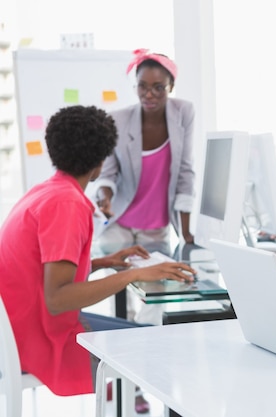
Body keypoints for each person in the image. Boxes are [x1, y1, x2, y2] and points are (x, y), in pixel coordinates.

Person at [0, 105, 195, 413]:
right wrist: (134, 275)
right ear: (100, 160)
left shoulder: (47, 191)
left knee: (149, 337)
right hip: (42, 340)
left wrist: (105, 263)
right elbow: (58, 298)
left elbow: (43, 270)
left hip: (22, 328)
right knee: (164, 347)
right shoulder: (68, 203)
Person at [95, 48, 196, 253]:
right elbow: (108, 173)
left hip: (156, 228)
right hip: (119, 224)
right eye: (142, 86)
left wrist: (187, 235)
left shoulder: (183, 113)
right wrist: (104, 198)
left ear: (171, 86)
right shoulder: (118, 120)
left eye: (158, 88)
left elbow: (185, 172)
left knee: (157, 283)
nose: (149, 95)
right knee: (115, 283)